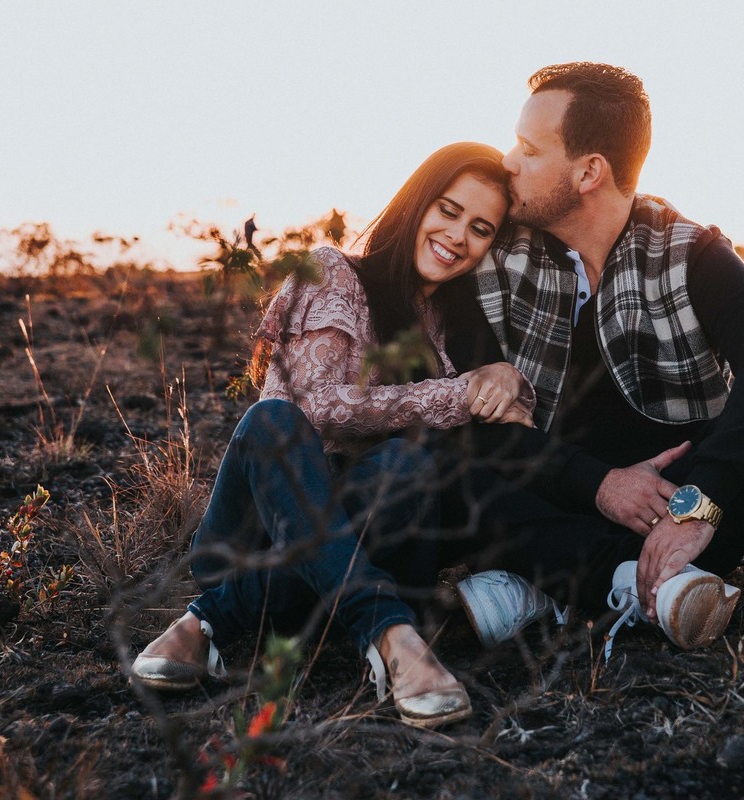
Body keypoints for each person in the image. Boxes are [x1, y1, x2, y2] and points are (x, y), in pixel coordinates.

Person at [131, 142, 535, 729]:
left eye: (480, 228)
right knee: (274, 419)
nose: (457, 236)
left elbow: (505, 416)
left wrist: (502, 376)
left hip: (356, 559)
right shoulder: (333, 273)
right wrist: (457, 394)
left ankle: (210, 620)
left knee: (409, 462)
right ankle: (392, 636)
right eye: (447, 210)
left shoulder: (459, 324)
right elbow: (317, 408)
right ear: (418, 202)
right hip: (257, 536)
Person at [446, 63, 744, 656]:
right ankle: (632, 584)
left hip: (672, 495)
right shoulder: (494, 255)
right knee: (453, 460)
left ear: (589, 171)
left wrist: (698, 505)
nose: (508, 160)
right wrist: (601, 486)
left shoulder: (688, 249)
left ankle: (550, 583)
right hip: (556, 481)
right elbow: (472, 418)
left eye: (529, 148)